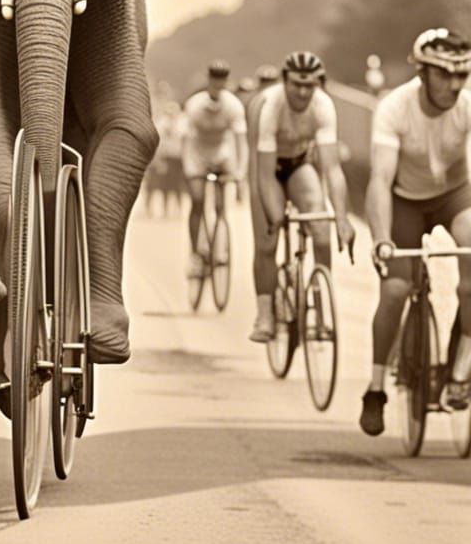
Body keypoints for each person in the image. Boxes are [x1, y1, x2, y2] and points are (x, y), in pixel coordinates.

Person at [361, 28, 471, 434]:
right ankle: (375, 390)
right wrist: (380, 237)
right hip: (405, 198)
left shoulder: (467, 105)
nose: (456, 85)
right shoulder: (394, 108)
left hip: (455, 196)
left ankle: (461, 371)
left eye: (463, 75)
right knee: (394, 290)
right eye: (446, 75)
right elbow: (379, 179)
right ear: (423, 73)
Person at [247, 51, 355, 342]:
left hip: (298, 163)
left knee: (321, 231)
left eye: (310, 85)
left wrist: (342, 219)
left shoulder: (323, 106)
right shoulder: (271, 105)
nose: (303, 92)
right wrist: (274, 214)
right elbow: (265, 174)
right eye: (297, 84)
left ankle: (321, 312)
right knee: (267, 239)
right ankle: (265, 315)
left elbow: (332, 170)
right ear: (285, 81)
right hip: (266, 166)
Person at [182, 61, 248, 278]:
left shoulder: (234, 106)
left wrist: (239, 174)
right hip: (197, 154)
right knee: (198, 199)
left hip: (221, 153)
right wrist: (189, 170)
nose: (218, 86)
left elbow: (240, 142)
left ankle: (219, 246)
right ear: (208, 80)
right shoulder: (195, 104)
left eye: (222, 82)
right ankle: (195, 254)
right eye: (214, 81)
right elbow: (186, 140)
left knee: (220, 206)